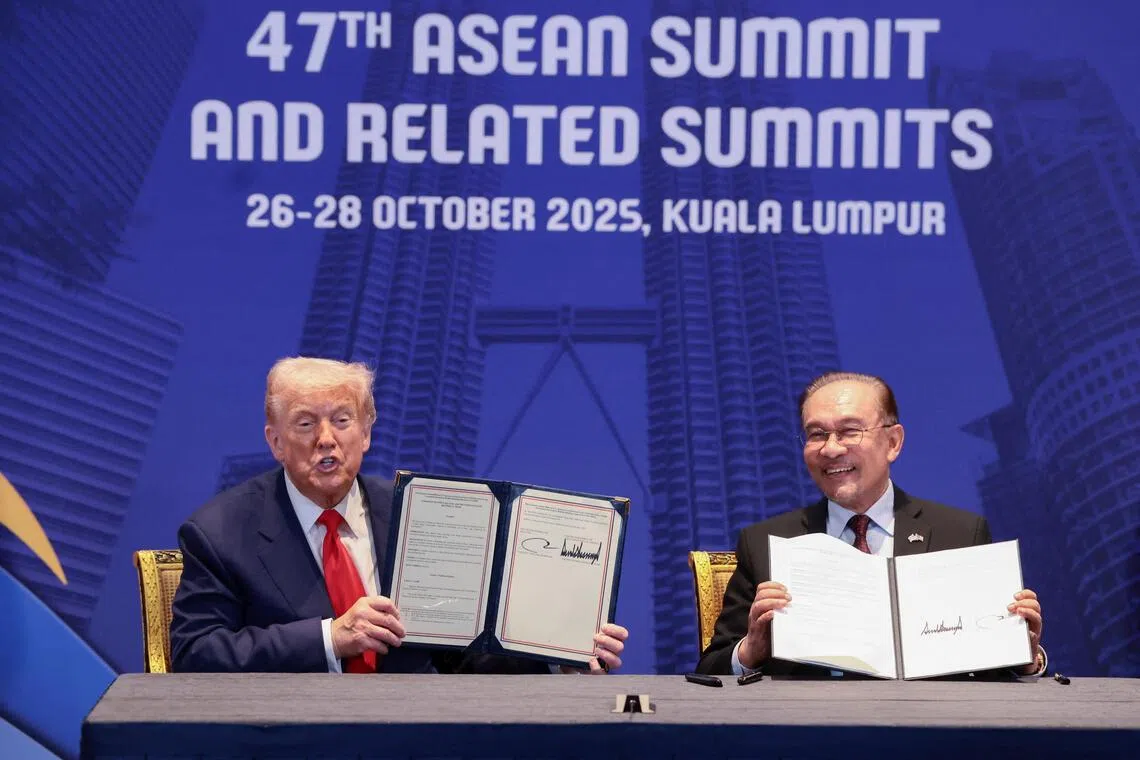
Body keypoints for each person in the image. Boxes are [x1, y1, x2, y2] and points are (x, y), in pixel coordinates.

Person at [170, 356, 628, 674]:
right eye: (306, 423)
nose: (326, 439)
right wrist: (330, 638)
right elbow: (195, 652)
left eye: (342, 421)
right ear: (275, 441)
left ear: (366, 434)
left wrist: (561, 658)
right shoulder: (220, 532)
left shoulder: (419, 513)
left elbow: (463, 655)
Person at [696, 371, 1045, 678]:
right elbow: (712, 669)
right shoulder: (766, 542)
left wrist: (1024, 656)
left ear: (893, 442)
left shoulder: (960, 533)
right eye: (816, 434)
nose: (831, 449)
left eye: (849, 431)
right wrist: (751, 650)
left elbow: (991, 669)